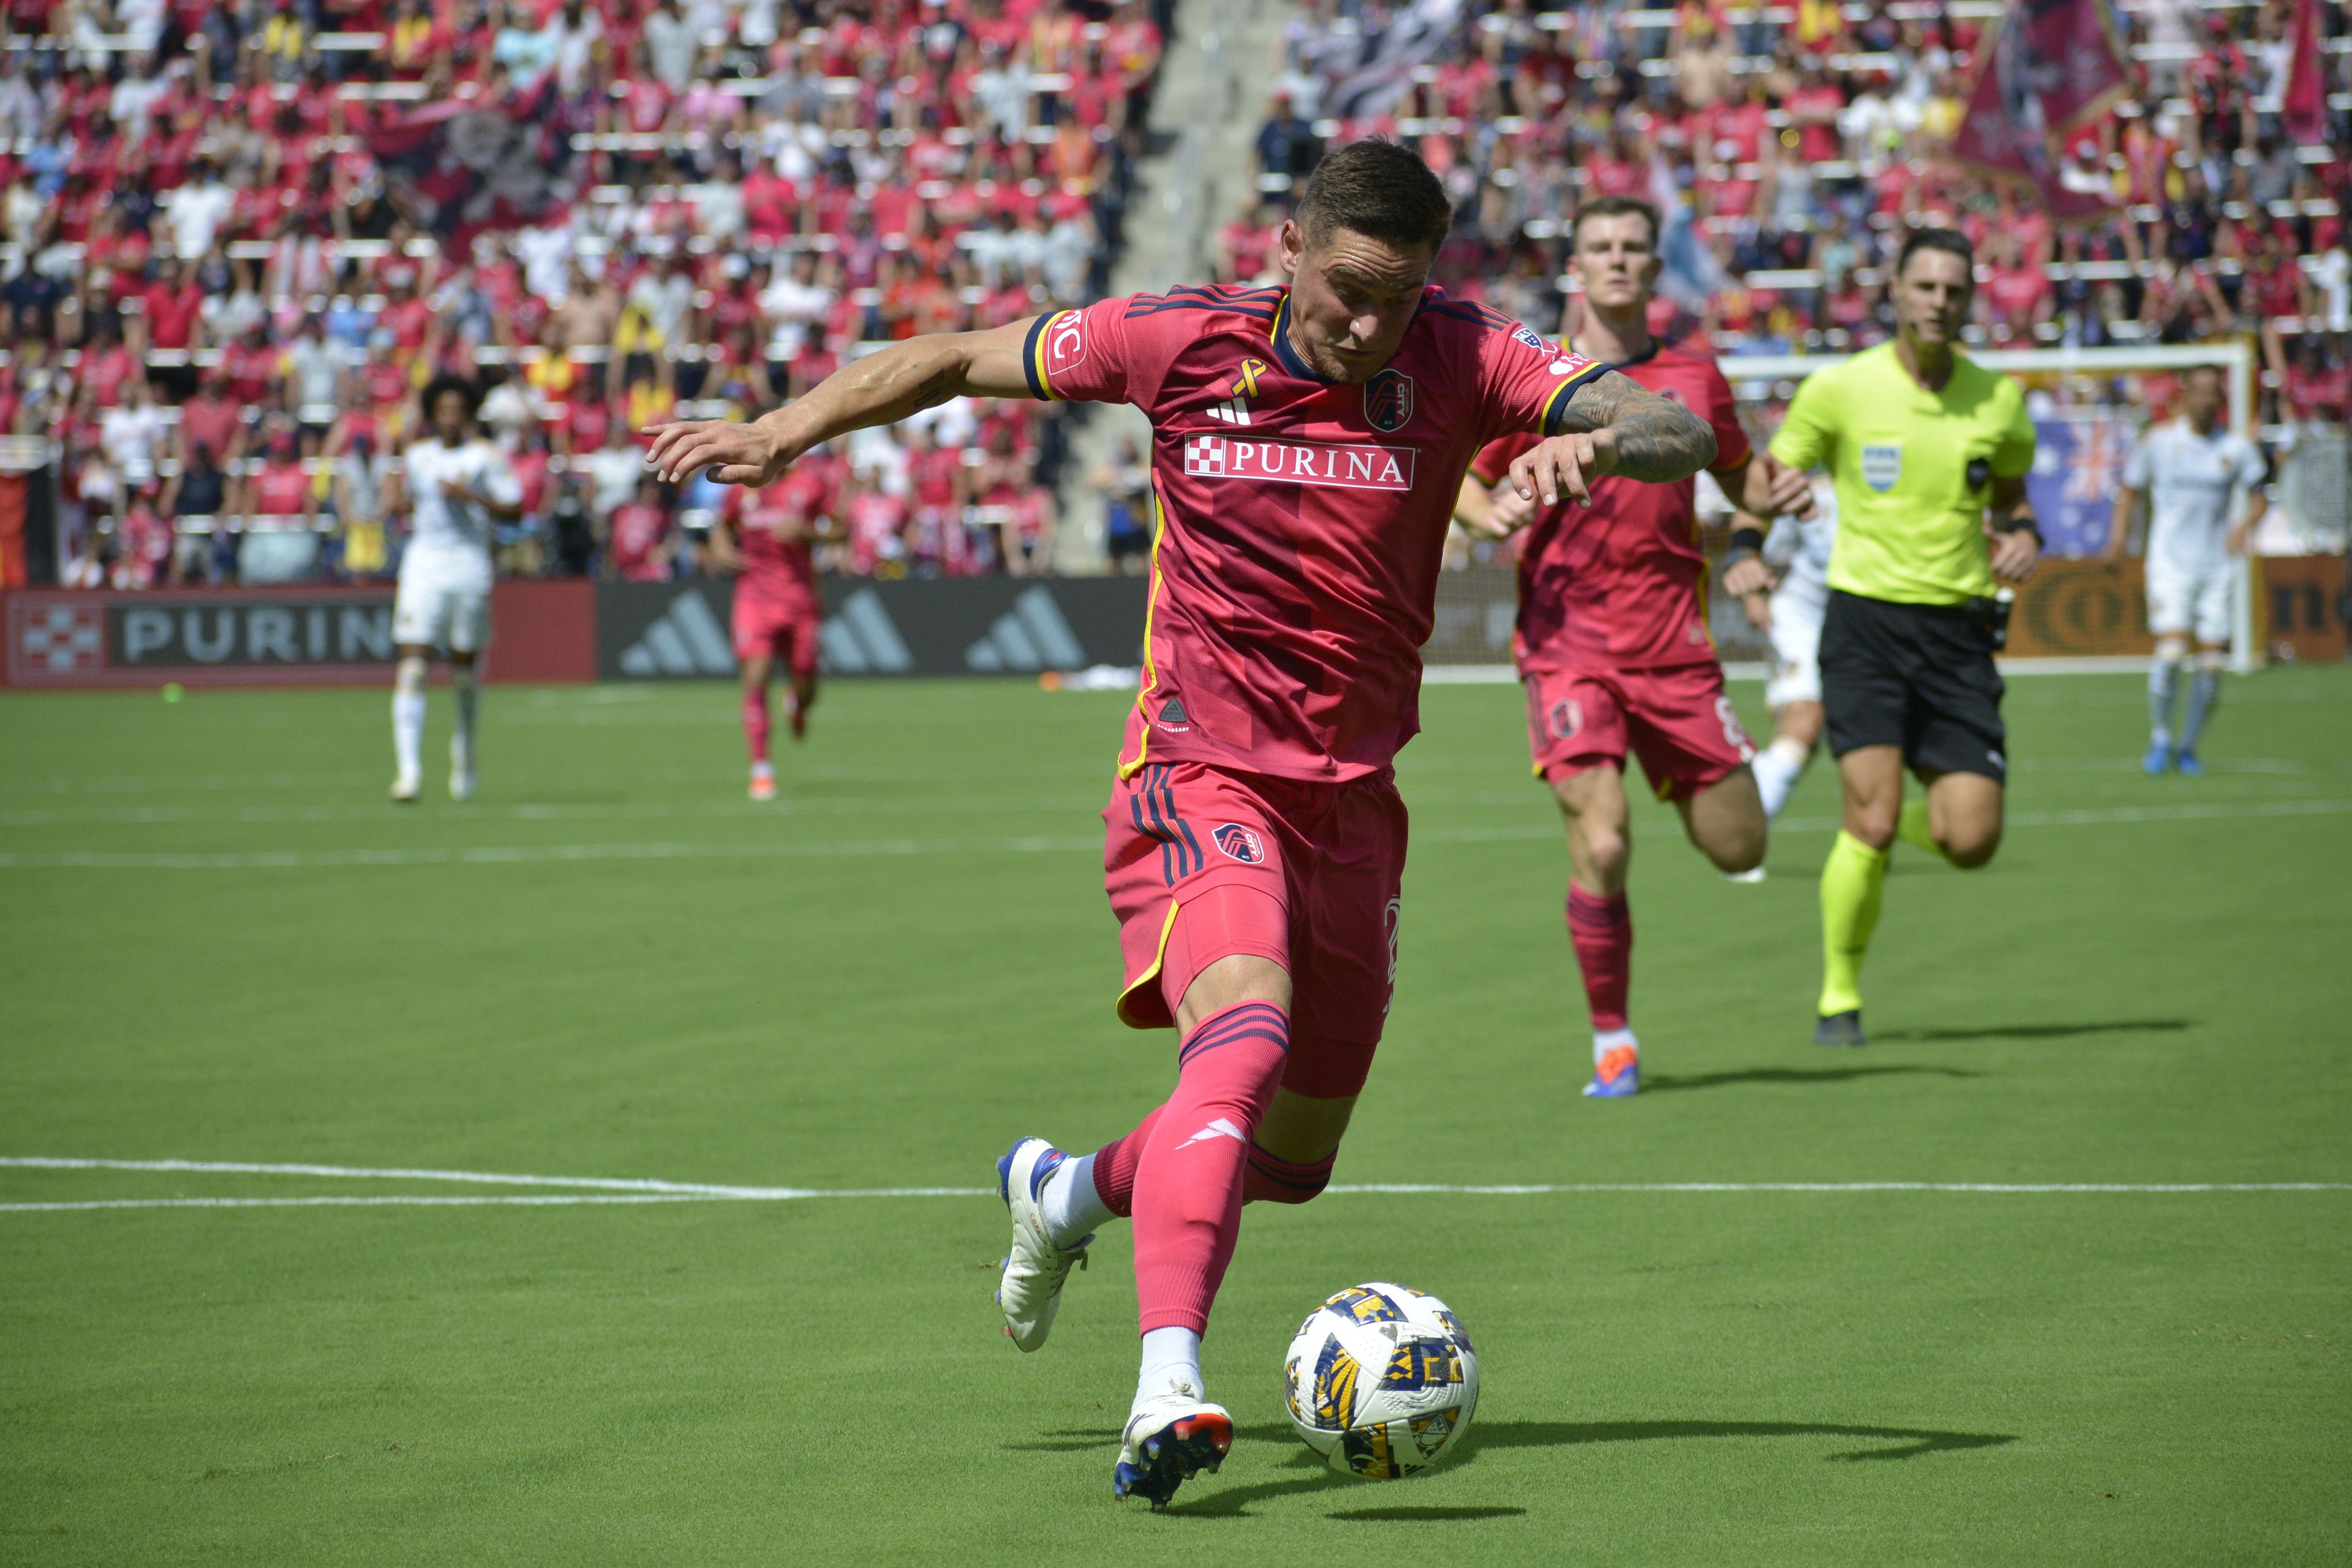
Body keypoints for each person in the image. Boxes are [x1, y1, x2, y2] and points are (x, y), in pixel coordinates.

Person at [643, 138, 1716, 1509]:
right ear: (1287, 248)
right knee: (1245, 1028)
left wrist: (1596, 437)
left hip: (1357, 804)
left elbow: (1672, 420)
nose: (1365, 321)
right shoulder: (1177, 340)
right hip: (1196, 771)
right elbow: (954, 354)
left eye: (1395, 295)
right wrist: (782, 429)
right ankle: (1166, 1380)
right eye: (1344, 287)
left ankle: (1070, 1191)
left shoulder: (1464, 351)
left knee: (1297, 1159)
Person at [1450, 196, 1814, 1098]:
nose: (1617, 260)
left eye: (1633, 247)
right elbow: (1465, 475)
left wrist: (1782, 493)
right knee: (1603, 845)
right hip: (1567, 644)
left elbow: (1743, 479)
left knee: (1740, 848)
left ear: (1655, 267)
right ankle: (1612, 1036)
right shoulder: (1532, 377)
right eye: (1600, 247)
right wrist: (1484, 511)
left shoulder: (1693, 377)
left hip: (1676, 647)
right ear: (1578, 265)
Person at [1765, 228, 2041, 1048]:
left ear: (1970, 297)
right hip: (1865, 626)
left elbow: (2014, 500)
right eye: (1924, 286)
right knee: (1875, 821)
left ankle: (1882, 815)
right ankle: (1837, 996)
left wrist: (2024, 534)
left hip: (1958, 635)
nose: (1938, 301)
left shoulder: (2001, 400)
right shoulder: (1840, 389)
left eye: (1953, 289)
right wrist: (1748, 549)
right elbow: (1772, 475)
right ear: (1897, 290)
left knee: (1971, 840)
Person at [2103, 365, 2266, 775]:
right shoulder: (2159, 442)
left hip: (2216, 568)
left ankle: (2189, 746)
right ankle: (2161, 738)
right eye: (2199, 392)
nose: (2206, 401)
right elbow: (2130, 491)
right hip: (2169, 565)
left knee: (2211, 666)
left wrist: (2242, 527)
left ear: (2222, 399)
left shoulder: (2236, 448)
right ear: (2184, 396)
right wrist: (2117, 543)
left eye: (2214, 393)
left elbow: (2260, 496)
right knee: (2172, 654)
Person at [382, 375, 522, 803]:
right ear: (432, 415)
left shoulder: (485, 457)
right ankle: (409, 772)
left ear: (468, 416)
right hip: (424, 567)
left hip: (469, 569)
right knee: (414, 664)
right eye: (443, 411)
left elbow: (515, 509)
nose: (449, 419)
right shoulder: (418, 455)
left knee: (464, 670)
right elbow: (405, 500)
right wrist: (395, 503)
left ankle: (464, 747)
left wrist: (471, 497)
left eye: (457, 411)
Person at [1722, 478, 1838, 821]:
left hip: (1867, 621)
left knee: (1871, 744)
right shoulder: (1807, 487)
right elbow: (1758, 531)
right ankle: (1742, 828)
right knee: (1804, 722)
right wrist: (1753, 595)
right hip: (1802, 616)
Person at [707, 477, 822, 801]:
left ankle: (796, 703)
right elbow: (721, 525)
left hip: (799, 599)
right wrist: (719, 546)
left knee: (806, 680)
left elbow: (843, 528)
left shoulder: (809, 485)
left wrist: (808, 534)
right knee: (755, 678)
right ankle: (761, 771)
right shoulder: (741, 491)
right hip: (754, 599)